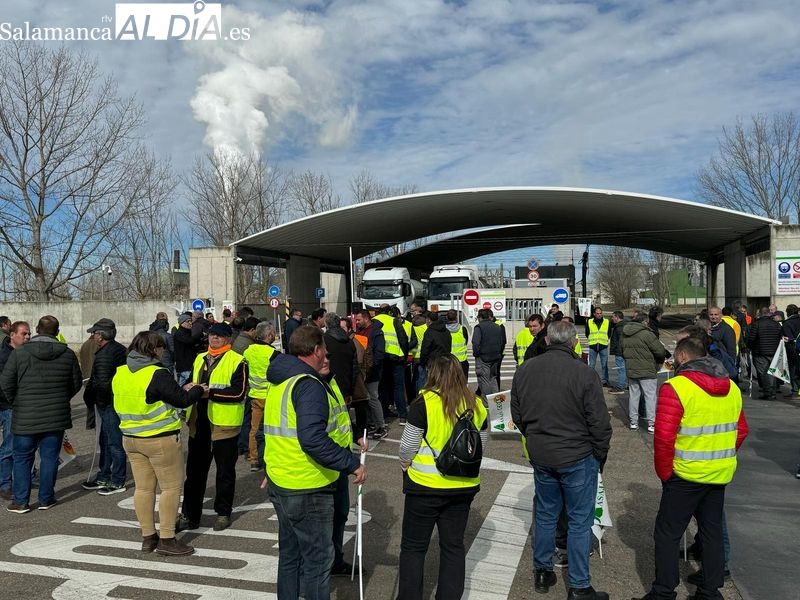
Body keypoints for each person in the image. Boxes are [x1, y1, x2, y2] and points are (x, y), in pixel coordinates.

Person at [633, 337, 748, 600]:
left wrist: (665, 473)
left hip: (684, 474)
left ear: (683, 357)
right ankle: (710, 591)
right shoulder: (730, 387)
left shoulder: (676, 387)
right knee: (711, 532)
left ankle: (663, 591)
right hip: (718, 473)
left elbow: (664, 438)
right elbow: (741, 430)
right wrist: (721, 456)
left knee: (667, 532)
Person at [264, 325, 367, 600]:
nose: (326, 356)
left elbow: (271, 432)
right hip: (307, 484)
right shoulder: (308, 385)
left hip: (282, 480)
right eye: (324, 350)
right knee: (318, 562)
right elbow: (312, 439)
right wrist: (351, 463)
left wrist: (268, 466)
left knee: (290, 556)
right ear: (317, 350)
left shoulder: (281, 381)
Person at [510, 321, 611, 600]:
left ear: (547, 340)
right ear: (573, 342)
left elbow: (517, 414)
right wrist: (599, 455)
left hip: (542, 452)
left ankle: (542, 570)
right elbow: (599, 423)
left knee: (545, 514)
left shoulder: (525, 370)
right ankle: (579, 586)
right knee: (579, 520)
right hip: (577, 454)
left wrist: (535, 436)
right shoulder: (584, 373)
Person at [397, 353, 488, 600]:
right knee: (453, 547)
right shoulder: (476, 404)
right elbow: (480, 445)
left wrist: (406, 465)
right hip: (463, 486)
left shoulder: (424, 402)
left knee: (414, 548)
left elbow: (407, 447)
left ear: (432, 374)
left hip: (424, 486)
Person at [112, 331, 205, 556]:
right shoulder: (157, 373)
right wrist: (199, 390)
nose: (164, 352)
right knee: (170, 488)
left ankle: (148, 537)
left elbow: (148, 396)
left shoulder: (121, 372)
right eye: (162, 348)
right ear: (154, 350)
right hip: (160, 438)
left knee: (143, 488)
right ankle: (167, 538)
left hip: (131, 438)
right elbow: (182, 400)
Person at [1, 315, 82, 513]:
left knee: (22, 458)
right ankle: (46, 498)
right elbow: (76, 383)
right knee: (49, 458)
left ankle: (21, 501)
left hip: (25, 416)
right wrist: (61, 399)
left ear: (37, 329)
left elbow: (6, 383)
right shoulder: (68, 354)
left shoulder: (20, 353)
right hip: (55, 417)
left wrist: (17, 401)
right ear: (57, 331)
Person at [176, 322, 247, 532]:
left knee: (225, 473)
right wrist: (186, 386)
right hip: (199, 423)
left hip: (224, 426)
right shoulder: (200, 358)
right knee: (195, 473)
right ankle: (190, 515)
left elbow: (239, 392)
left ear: (229, 340)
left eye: (219, 336)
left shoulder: (238, 361)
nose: (214, 339)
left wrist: (210, 393)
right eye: (211, 335)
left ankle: (223, 513)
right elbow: (189, 380)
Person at [82, 318, 129, 495]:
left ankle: (117, 480)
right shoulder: (119, 350)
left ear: (100, 336)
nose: (93, 336)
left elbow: (101, 383)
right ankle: (104, 475)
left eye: (94, 333)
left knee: (114, 442)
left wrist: (96, 401)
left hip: (108, 403)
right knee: (106, 440)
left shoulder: (105, 354)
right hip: (113, 400)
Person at [242, 321, 279, 472]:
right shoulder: (274, 354)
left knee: (254, 428)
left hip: (255, 395)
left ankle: (254, 460)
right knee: (272, 430)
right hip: (271, 396)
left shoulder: (248, 351)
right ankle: (270, 458)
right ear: (269, 335)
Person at [0, 321, 30, 500]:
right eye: (23, 334)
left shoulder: (24, 353)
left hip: (23, 406)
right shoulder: (5, 356)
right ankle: (4, 483)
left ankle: (26, 476)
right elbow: (5, 385)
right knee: (10, 446)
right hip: (9, 406)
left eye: (28, 334)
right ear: (12, 335)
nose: (27, 337)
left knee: (24, 444)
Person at [622, 313, 666, 432]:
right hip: (647, 369)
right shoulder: (647, 334)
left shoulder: (625, 333)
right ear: (645, 322)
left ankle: (633, 422)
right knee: (650, 397)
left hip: (632, 369)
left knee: (633, 396)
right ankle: (652, 424)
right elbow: (660, 351)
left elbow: (622, 350)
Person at [373, 305, 410, 424]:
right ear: (389, 312)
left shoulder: (374, 321)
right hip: (396, 357)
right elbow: (403, 339)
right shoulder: (394, 320)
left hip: (381, 357)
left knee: (383, 385)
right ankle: (402, 415)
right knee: (398, 387)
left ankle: (384, 412)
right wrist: (404, 355)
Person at [746, 306, 782, 400]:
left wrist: (750, 347)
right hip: (774, 351)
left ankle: (768, 393)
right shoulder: (776, 324)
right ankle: (772, 392)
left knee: (763, 373)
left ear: (760, 313)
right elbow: (780, 337)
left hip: (760, 352)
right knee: (772, 372)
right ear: (769, 313)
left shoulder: (757, 324)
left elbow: (752, 338)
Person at [472, 308, 505, 402]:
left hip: (483, 358)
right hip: (495, 357)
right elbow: (501, 342)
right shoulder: (497, 327)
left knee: (484, 380)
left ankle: (486, 404)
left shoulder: (479, 327)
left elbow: (476, 343)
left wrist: (476, 354)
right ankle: (496, 402)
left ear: (480, 317)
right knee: (493, 379)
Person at [173, 312, 203, 386]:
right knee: (192, 385)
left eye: (191, 321)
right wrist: (200, 334)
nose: (190, 323)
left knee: (182, 388)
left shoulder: (187, 332)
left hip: (188, 365)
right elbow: (189, 341)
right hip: (185, 366)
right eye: (188, 321)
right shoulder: (180, 333)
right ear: (182, 323)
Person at [585, 306, 610, 385]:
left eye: (600, 313)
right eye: (597, 313)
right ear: (594, 314)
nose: (599, 315)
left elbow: (609, 333)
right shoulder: (589, 321)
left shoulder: (607, 321)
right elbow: (587, 333)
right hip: (593, 345)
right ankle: (590, 380)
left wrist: (605, 339)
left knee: (604, 365)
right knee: (591, 365)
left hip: (603, 345)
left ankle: (605, 380)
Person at [781, 304, 800, 395]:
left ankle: (795, 388)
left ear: (788, 312)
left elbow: (788, 337)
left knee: (793, 368)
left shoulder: (787, 323)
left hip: (792, 349)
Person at [445, 309, 469, 379]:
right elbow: (466, 341)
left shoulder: (444, 329)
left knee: (450, 382)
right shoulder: (462, 329)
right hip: (462, 360)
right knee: (463, 382)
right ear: (456, 317)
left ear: (446, 317)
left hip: (449, 360)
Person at [609, 311, 627, 394]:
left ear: (617, 317)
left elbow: (620, 341)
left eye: (613, 317)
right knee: (624, 369)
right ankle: (624, 385)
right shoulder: (624, 325)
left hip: (620, 352)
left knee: (621, 369)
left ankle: (620, 386)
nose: (612, 318)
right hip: (624, 351)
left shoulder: (619, 327)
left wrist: (618, 351)